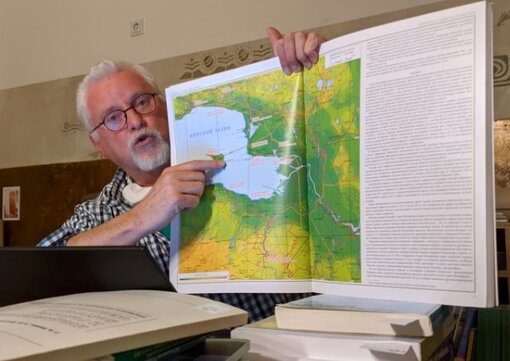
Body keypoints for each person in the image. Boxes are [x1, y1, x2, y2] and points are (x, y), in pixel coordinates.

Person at [38, 27, 326, 322]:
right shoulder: (98, 213)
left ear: (164, 105)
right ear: (98, 144)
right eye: (113, 118)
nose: (136, 121)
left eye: (141, 102)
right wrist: (145, 215)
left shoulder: (240, 155)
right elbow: (39, 271)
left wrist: (318, 65)